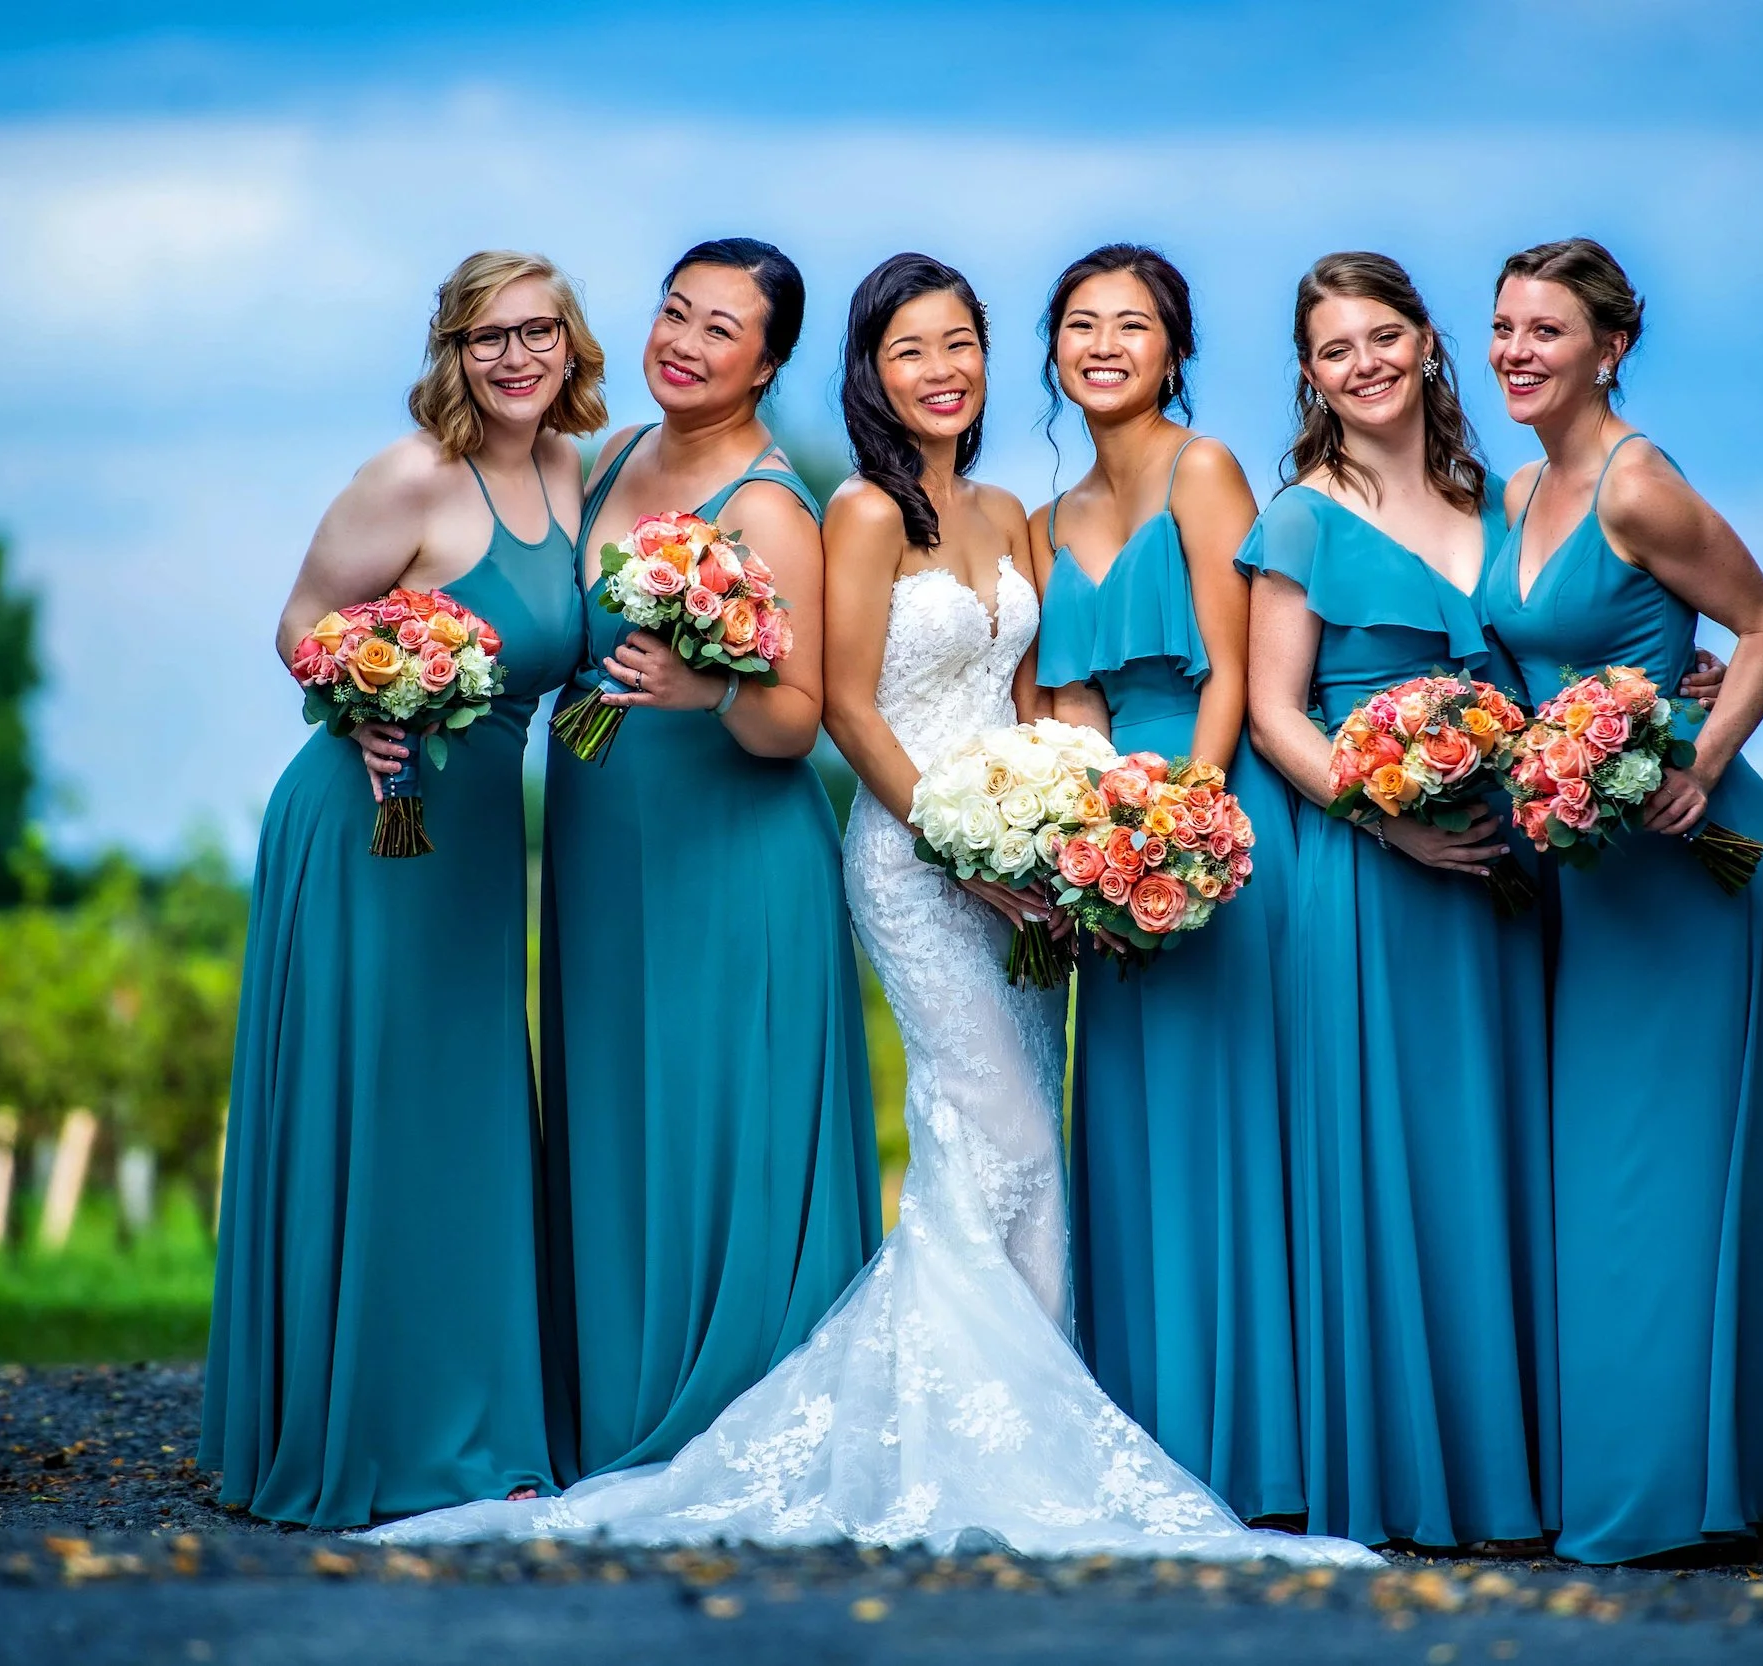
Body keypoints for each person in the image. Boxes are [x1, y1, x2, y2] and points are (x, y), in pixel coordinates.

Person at [361, 254, 1371, 1564]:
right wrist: (960, 842)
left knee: (1029, 1143)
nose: (939, 370)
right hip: (914, 852)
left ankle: (1036, 1415)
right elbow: (840, 704)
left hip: (1024, 861)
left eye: (960, 344)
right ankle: (986, 1435)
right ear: (865, 373)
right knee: (991, 1133)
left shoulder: (1015, 514)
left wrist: (1074, 828)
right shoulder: (858, 514)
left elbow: (1036, 698)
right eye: (908, 351)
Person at [201, 251, 596, 1526]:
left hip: (479, 836)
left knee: (468, 1103)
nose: (518, 357)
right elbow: (303, 623)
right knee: (381, 1103)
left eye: (539, 331)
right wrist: (360, 694)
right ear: (452, 352)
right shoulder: (409, 476)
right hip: (373, 820)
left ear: (571, 342)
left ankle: (479, 1421)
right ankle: (368, 1433)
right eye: (490, 338)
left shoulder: (574, 474)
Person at [1476, 236, 1763, 1565]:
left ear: (1608, 347)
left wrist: (1698, 759)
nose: (1517, 351)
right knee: (1601, 1168)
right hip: (1591, 872)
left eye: (1547, 332)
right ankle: (1638, 1474)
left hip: (1689, 864)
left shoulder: (1640, 487)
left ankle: (1664, 1498)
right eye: (1506, 327)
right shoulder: (1522, 487)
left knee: (1660, 1171)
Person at [537, 238, 880, 1481]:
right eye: (673, 312)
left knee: (713, 1107)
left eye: (720, 328)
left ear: (768, 361)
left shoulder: (772, 508)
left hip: (729, 845)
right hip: (598, 834)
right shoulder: (610, 457)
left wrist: (700, 686)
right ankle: (613, 1393)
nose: (684, 341)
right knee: (618, 1102)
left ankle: (732, 1403)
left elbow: (796, 723)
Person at [1239, 251, 1555, 1550]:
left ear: (1428, 344)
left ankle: (1512, 1468)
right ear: (1311, 377)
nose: (1362, 363)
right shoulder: (1304, 516)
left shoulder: (1508, 505)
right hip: (1367, 875)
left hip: (1499, 873)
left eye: (1383, 336)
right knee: (1380, 1154)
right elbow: (1269, 714)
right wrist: (1389, 821)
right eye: (1333, 349)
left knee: (1494, 1148)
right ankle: (1401, 1470)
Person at [1028, 244, 1300, 1523]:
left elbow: (1240, 669)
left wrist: (1179, 819)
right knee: (1128, 1125)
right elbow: (1069, 697)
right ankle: (1147, 1435)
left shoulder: (1207, 472)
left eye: (1131, 325)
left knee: (1222, 1121)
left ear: (1174, 351)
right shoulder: (1048, 520)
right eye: (1081, 324)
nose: (1104, 344)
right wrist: (1095, 832)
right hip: (1107, 846)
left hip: (1216, 815)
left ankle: (1251, 1445)